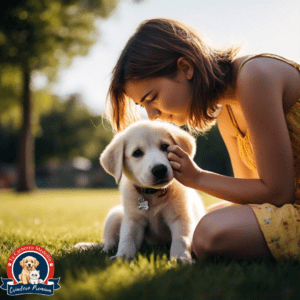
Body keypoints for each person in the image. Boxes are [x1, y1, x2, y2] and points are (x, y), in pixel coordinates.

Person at [105, 18, 300, 261]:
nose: (152, 116)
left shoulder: (254, 76)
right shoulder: (227, 110)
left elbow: (278, 193)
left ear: (186, 67)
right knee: (198, 222)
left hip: (291, 205)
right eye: (143, 106)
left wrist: (197, 178)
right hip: (291, 207)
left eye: (152, 97)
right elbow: (250, 195)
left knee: (209, 232)